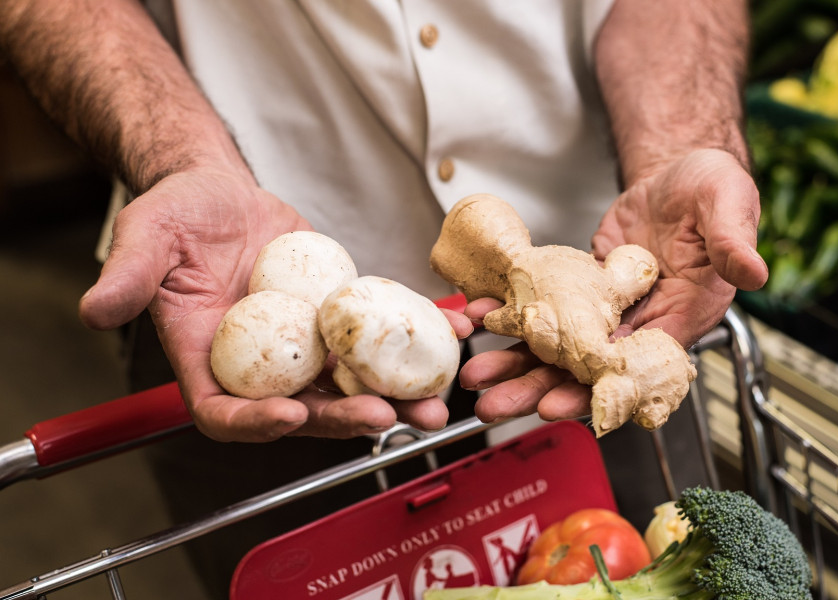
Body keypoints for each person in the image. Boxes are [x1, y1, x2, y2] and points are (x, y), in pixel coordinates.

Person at [0, 0, 768, 595]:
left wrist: (679, 146)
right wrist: (179, 164)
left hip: (609, 291)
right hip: (241, 288)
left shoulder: (603, 319)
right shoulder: (260, 317)